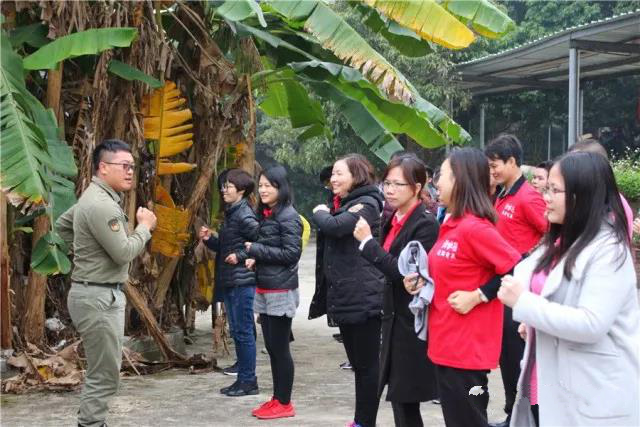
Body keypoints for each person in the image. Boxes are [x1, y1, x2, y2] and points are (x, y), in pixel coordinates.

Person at [499, 151, 640, 427]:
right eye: (546, 189)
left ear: (582, 195)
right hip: (554, 380)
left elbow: (591, 323)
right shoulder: (563, 242)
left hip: (594, 393)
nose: (546, 197)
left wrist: (525, 304)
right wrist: (534, 320)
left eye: (555, 190)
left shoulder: (609, 250)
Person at [404, 147, 521, 427]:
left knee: (469, 415)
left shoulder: (475, 228)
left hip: (468, 354)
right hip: (446, 344)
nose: (436, 183)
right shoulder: (452, 223)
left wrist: (479, 296)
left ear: (460, 179)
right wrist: (421, 281)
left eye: (442, 175)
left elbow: (516, 267)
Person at [56, 139, 157, 427]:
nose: (130, 172)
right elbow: (123, 252)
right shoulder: (103, 206)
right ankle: (91, 424)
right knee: (105, 374)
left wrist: (85, 253)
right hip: (98, 298)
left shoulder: (92, 198)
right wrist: (144, 228)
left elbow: (62, 227)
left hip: (94, 294)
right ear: (103, 167)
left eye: (132, 166)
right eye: (124, 166)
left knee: (103, 370)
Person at [353, 156, 439, 427]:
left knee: (406, 396)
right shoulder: (392, 218)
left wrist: (367, 243)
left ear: (417, 187)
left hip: (411, 321)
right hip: (392, 318)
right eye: (386, 183)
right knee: (400, 398)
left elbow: (406, 275)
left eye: (397, 184)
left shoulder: (425, 224)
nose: (389, 190)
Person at [311, 154, 385, 427]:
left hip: (363, 296)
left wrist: (319, 211)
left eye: (339, 173)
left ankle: (365, 422)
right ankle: (360, 421)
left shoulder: (368, 204)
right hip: (347, 296)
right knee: (358, 364)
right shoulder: (346, 204)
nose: (333, 179)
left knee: (367, 366)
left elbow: (335, 227)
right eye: (332, 174)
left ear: (357, 175)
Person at [483, 135, 548, 427]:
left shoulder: (528, 197)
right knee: (508, 358)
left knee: (517, 357)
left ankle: (527, 417)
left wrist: (527, 258)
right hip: (503, 287)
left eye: (494, 165)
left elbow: (552, 233)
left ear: (512, 162)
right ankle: (513, 414)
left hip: (520, 289)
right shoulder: (502, 194)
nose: (492, 171)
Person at [244, 166, 303, 420]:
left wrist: (256, 250)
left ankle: (285, 403)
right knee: (271, 346)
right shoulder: (268, 214)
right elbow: (273, 249)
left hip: (281, 290)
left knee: (280, 348)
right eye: (261, 185)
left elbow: (291, 254)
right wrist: (256, 258)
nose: (263, 190)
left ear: (281, 187)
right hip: (266, 286)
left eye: (269, 185)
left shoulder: (288, 216)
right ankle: (277, 398)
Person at [199, 168, 260, 397]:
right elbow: (227, 247)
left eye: (228, 187)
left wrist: (241, 256)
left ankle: (248, 381)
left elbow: (262, 243)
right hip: (231, 280)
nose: (223, 190)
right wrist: (210, 240)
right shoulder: (233, 213)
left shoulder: (244, 215)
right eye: (223, 186)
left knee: (243, 332)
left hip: (242, 281)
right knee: (238, 331)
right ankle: (242, 378)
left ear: (241, 191)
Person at [568, 138, 634, 239]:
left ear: (596, 166)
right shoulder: (603, 198)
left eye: (575, 164)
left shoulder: (608, 205)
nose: (567, 170)